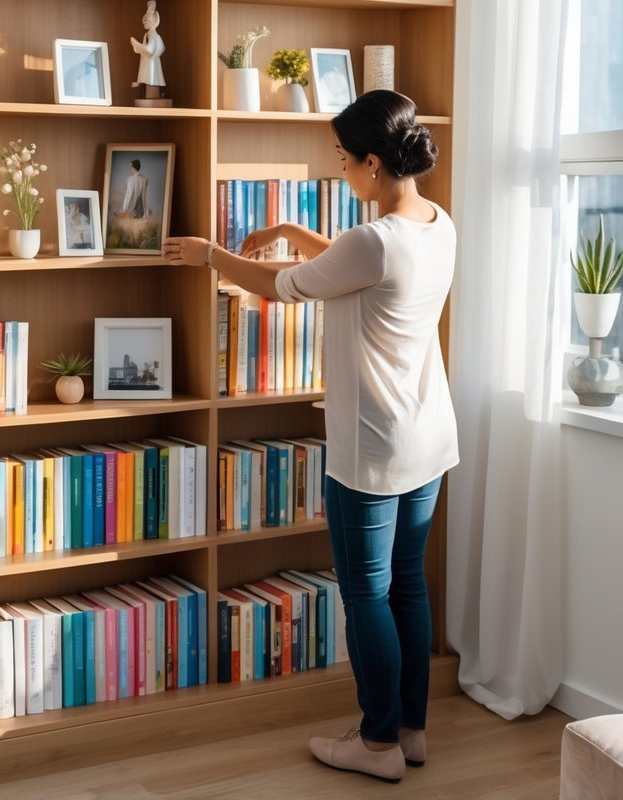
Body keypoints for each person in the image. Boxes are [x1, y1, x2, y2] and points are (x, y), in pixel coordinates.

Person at [162, 89, 458, 783]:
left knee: (364, 593)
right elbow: (357, 267)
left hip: (372, 446)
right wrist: (296, 230)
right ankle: (410, 730)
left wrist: (209, 254)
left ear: (373, 164)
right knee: (407, 586)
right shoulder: (435, 223)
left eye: (344, 161)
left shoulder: (371, 240)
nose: (341, 172)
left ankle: (376, 744)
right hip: (427, 437)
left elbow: (282, 287)